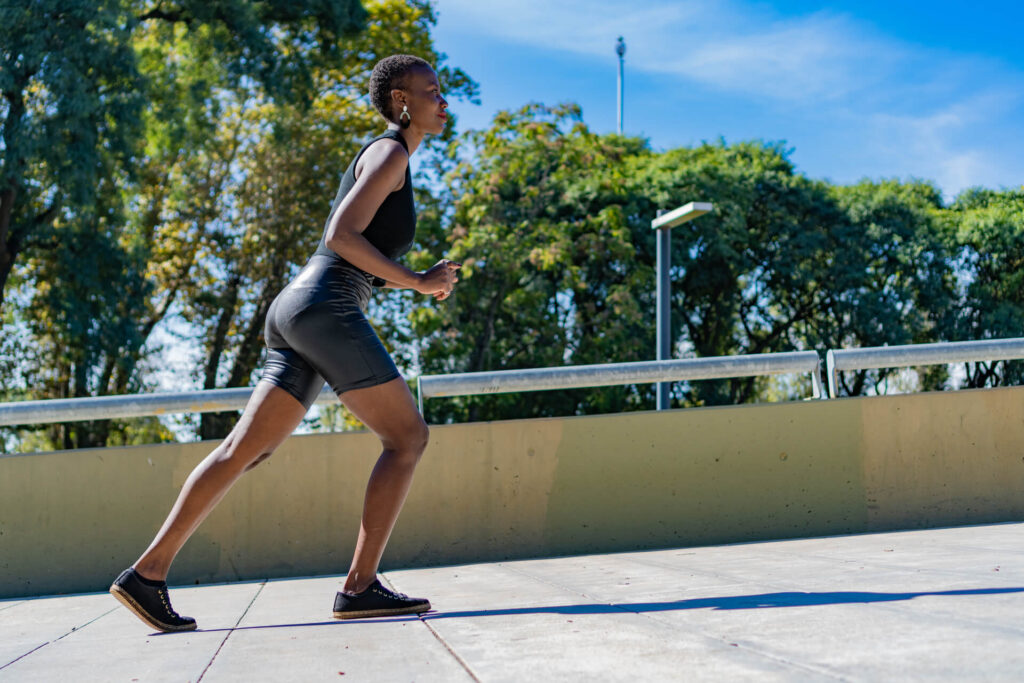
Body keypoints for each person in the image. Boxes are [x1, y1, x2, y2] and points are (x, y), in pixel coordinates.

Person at [109, 54, 459, 632]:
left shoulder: (391, 157)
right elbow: (340, 236)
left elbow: (352, 246)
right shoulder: (390, 151)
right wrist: (419, 281)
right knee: (407, 437)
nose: (443, 101)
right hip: (325, 305)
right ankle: (361, 586)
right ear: (401, 98)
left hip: (299, 308)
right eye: (433, 91)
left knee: (243, 451)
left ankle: (146, 576)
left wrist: (413, 279)